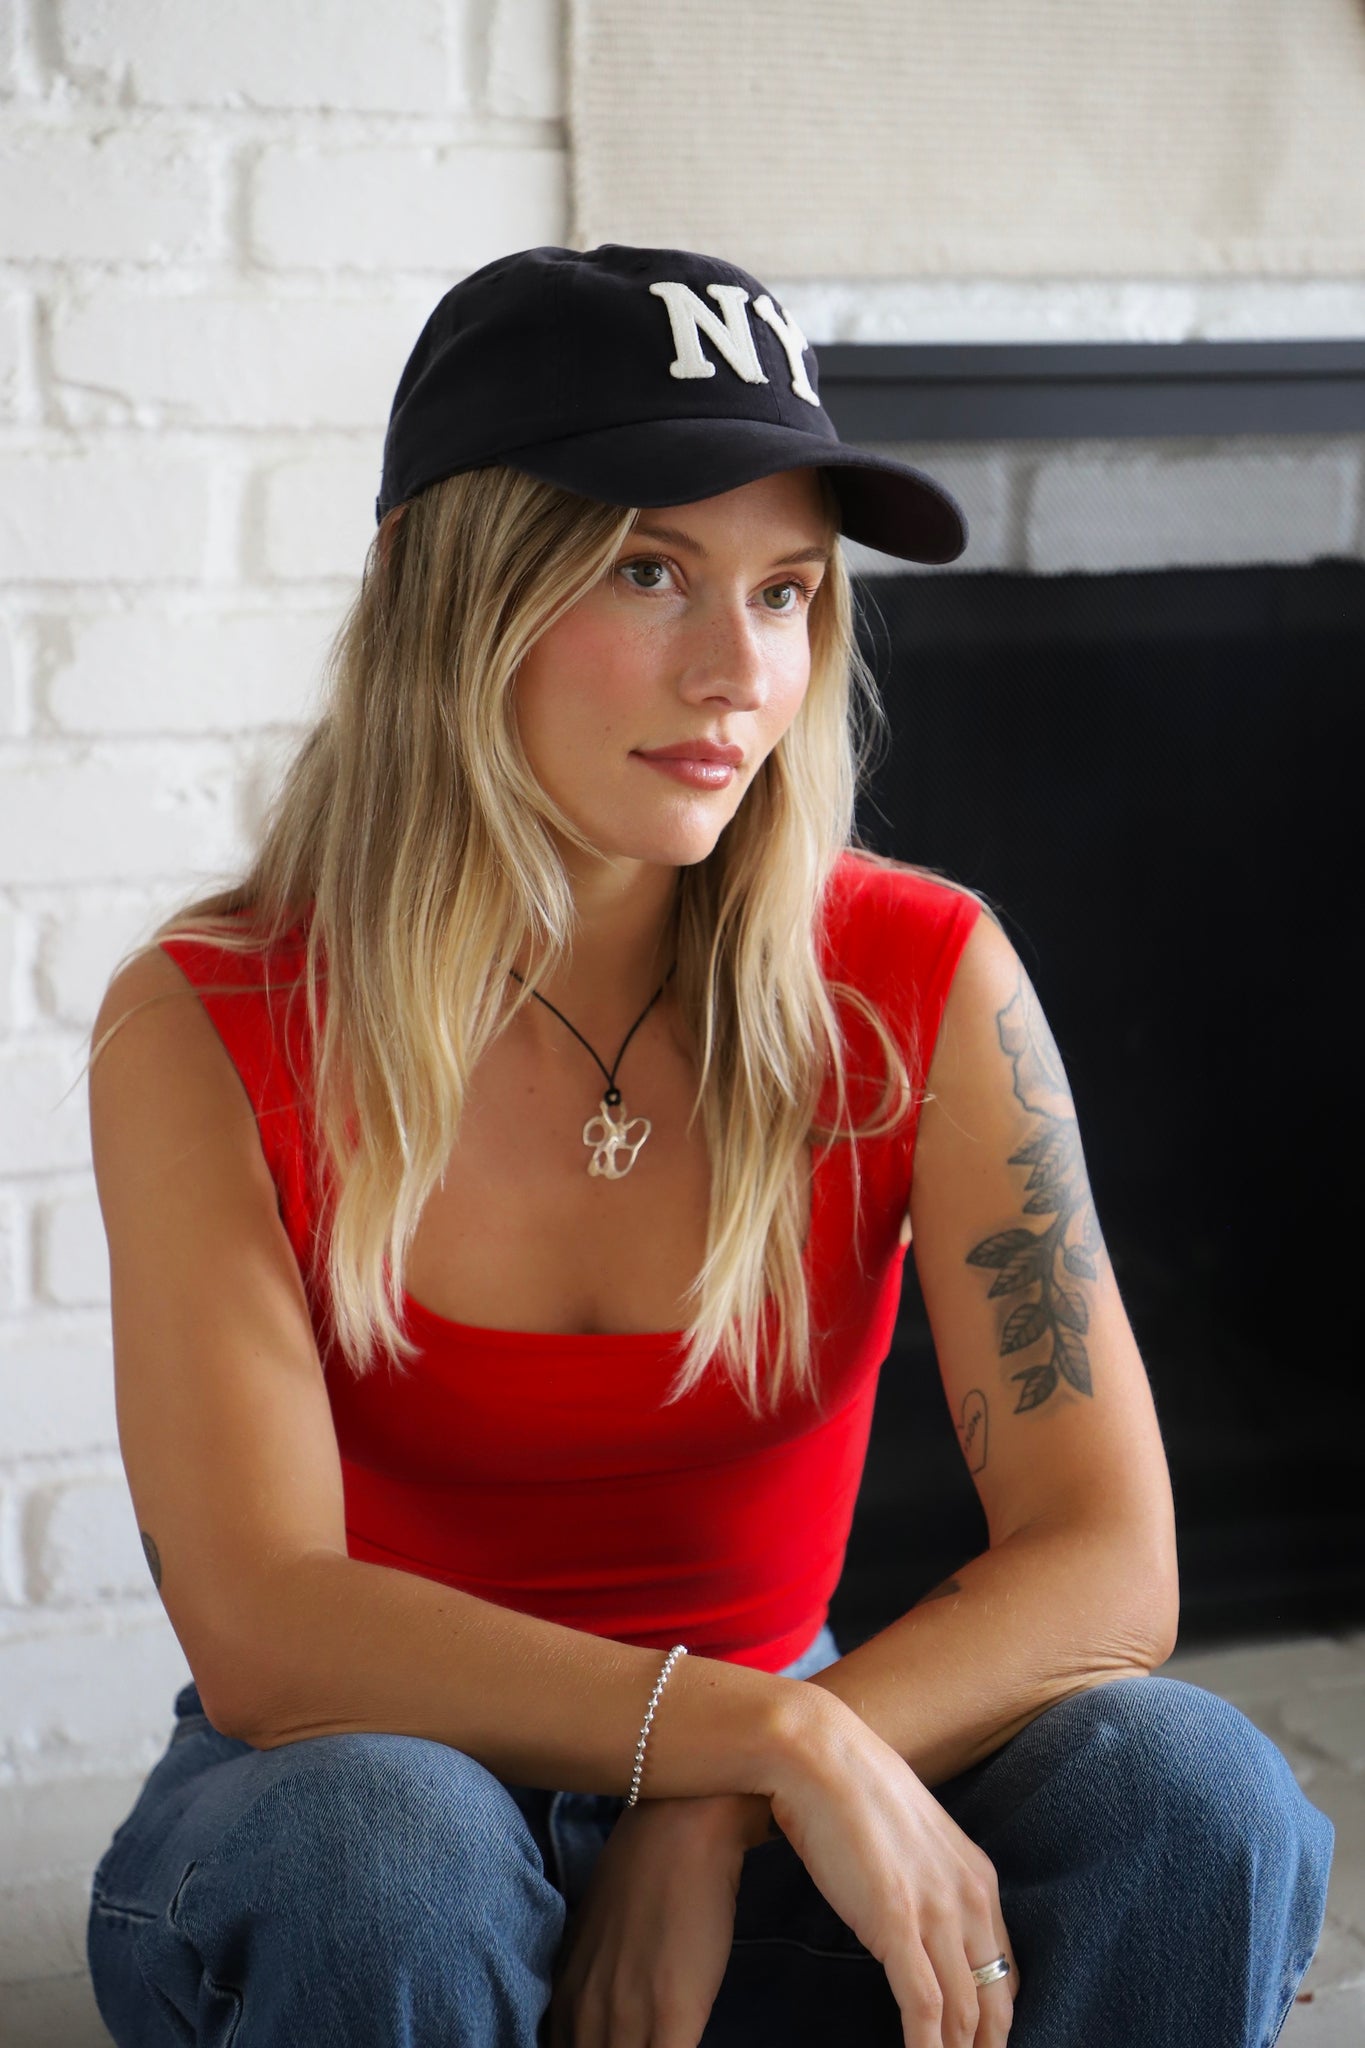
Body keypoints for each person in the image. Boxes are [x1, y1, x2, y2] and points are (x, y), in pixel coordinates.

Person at [82, 243, 1331, 2048]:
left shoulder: (919, 978)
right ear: (439, 584)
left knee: (1193, 1787)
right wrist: (761, 1735)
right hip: (344, 1813)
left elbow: (1108, 1560)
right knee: (386, 1845)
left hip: (760, 1819)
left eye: (785, 590)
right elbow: (272, 1634)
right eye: (646, 569)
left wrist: (732, 1799)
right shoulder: (206, 1015)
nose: (737, 671)